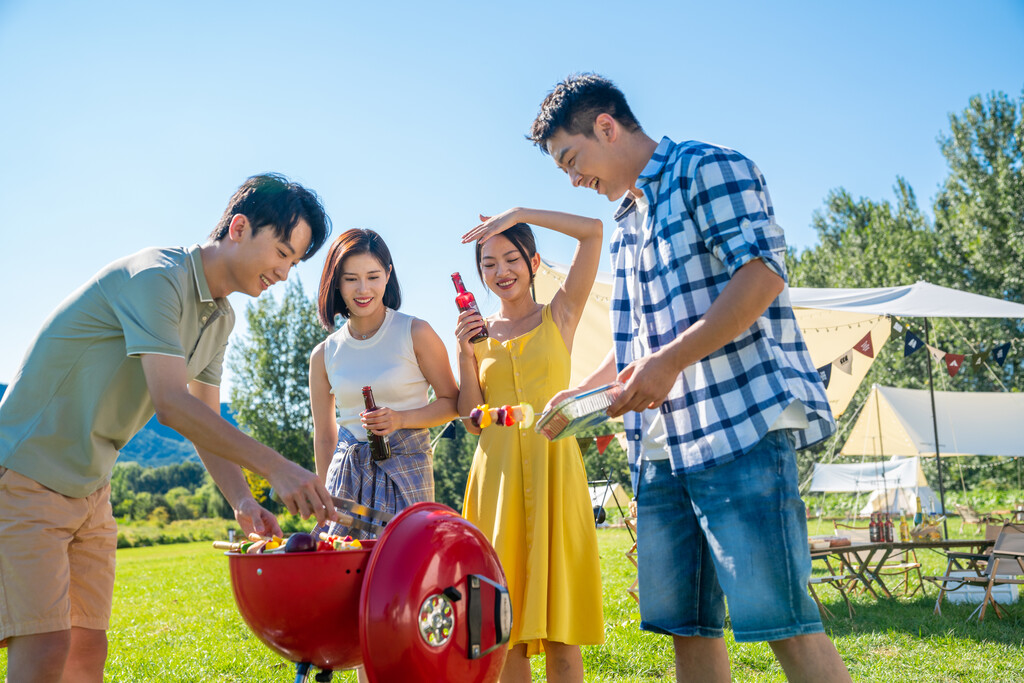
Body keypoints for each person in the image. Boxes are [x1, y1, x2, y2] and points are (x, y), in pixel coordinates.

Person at [528, 74, 851, 683]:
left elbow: (760, 274)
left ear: (606, 125)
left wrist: (670, 361)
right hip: (661, 448)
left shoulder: (707, 168)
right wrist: (583, 392)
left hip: (741, 429)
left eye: (573, 160)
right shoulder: (626, 219)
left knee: (785, 623)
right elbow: (639, 348)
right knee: (687, 629)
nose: (574, 179)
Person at [0, 173, 340, 683]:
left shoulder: (220, 318)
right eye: (284, 253)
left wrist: (243, 500)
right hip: (28, 473)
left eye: (295, 262)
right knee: (45, 645)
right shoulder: (157, 277)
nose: (285, 273)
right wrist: (278, 467)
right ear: (241, 227)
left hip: (91, 490)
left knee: (87, 648)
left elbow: (204, 420)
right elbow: (172, 406)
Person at [455, 209, 604, 683]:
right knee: (504, 627)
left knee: (562, 629)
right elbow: (471, 422)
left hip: (554, 474)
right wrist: (464, 352)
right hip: (495, 484)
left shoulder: (559, 314)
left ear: (534, 262)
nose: (501, 271)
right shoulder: (477, 337)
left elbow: (593, 232)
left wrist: (518, 213)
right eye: (489, 263)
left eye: (511, 258)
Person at [309, 229, 458, 538]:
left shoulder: (415, 332)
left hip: (407, 472)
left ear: (388, 274)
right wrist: (326, 499)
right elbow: (325, 437)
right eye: (351, 279)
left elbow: (452, 402)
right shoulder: (324, 353)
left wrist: (401, 419)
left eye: (373, 276)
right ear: (336, 281)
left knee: (405, 568)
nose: (363, 289)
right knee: (342, 567)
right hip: (346, 478)